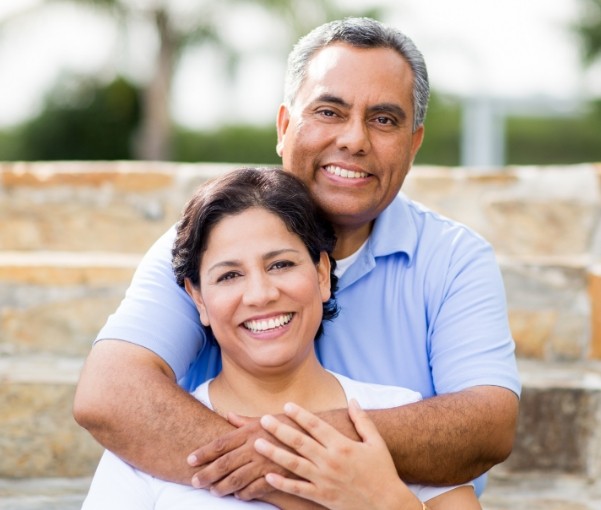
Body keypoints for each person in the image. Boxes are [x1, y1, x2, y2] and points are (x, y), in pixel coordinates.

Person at [73, 16, 520, 503]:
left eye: (384, 119)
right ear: (285, 127)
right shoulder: (207, 241)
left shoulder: (454, 259)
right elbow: (111, 393)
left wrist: (294, 453)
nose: (354, 140)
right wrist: (299, 479)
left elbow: (487, 425)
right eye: (329, 111)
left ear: (413, 144)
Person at [82, 167, 480, 509]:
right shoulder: (147, 442)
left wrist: (387, 503)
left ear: (322, 274)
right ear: (198, 299)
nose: (260, 294)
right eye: (230, 275)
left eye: (281, 264)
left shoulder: (397, 413)